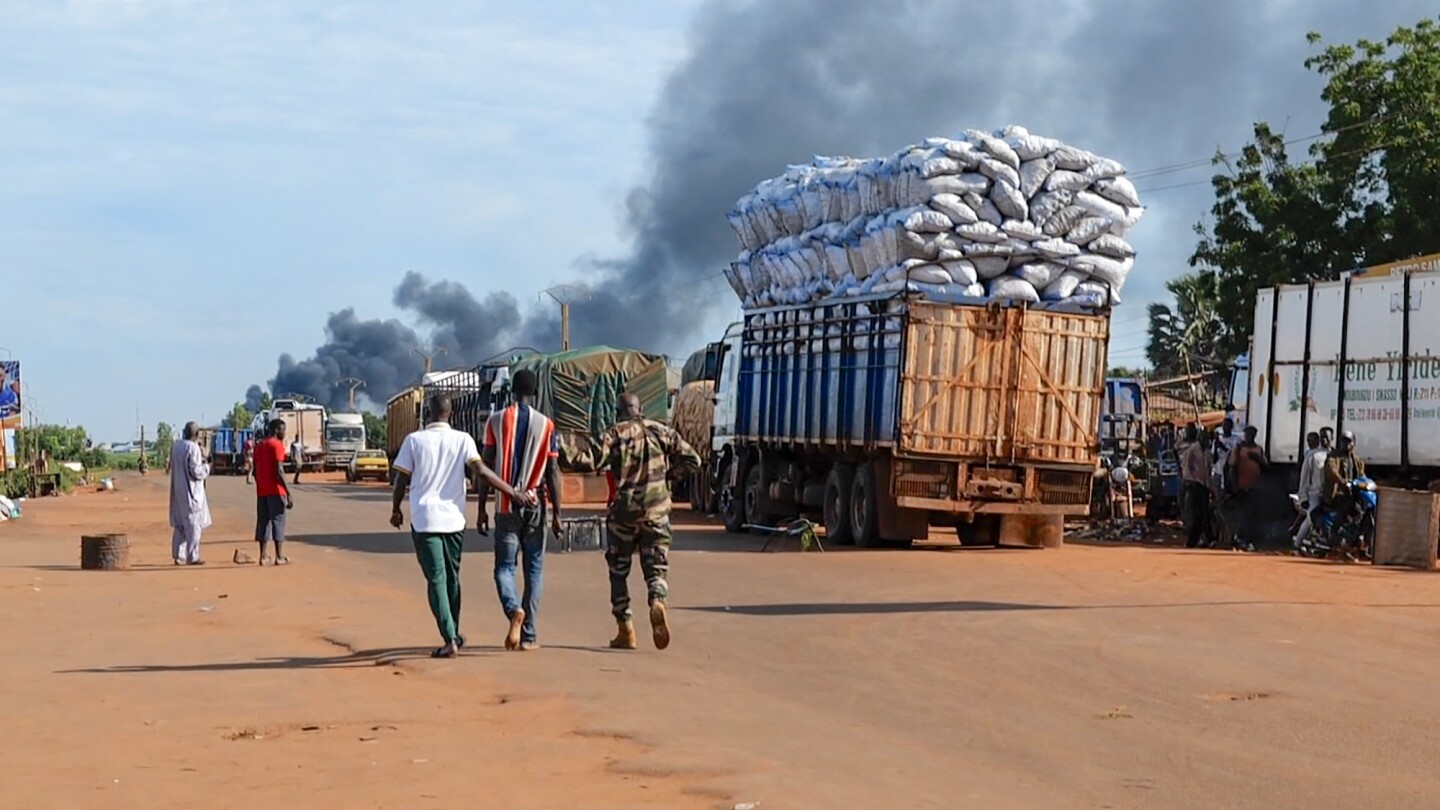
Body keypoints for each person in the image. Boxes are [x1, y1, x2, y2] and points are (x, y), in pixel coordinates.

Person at [391, 395, 533, 659]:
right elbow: (482, 472)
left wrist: (396, 509)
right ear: (452, 414)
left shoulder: (414, 440)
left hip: (425, 521)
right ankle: (453, 633)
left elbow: (401, 480)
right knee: (452, 579)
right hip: (454, 521)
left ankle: (449, 639)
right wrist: (512, 492)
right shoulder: (463, 439)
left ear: (427, 414)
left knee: (437, 579)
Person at [564, 394, 701, 651]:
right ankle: (657, 601)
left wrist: (562, 448)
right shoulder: (663, 431)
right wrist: (667, 477)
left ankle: (625, 629)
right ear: (641, 409)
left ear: (618, 412)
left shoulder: (615, 434)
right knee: (657, 567)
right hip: (657, 512)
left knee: (618, 570)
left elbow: (585, 461)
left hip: (624, 516)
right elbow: (693, 460)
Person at [480, 369, 563, 651]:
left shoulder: (495, 420)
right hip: (536, 505)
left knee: (504, 568)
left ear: (511, 391)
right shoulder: (547, 425)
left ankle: (514, 608)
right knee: (534, 572)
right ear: (535, 392)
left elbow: (486, 468)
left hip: (505, 505)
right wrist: (558, 514)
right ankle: (529, 635)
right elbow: (553, 471)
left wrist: (481, 508)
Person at [168, 422, 212, 566]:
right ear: (197, 434)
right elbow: (196, 472)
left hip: (178, 491)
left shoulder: (176, 446)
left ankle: (179, 555)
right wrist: (207, 467)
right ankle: (193, 556)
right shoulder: (193, 448)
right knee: (193, 524)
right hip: (191, 492)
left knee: (180, 524)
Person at [254, 419, 294, 565]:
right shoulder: (277, 445)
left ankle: (263, 556)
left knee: (263, 522)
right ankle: (279, 556)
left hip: (262, 491)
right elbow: (279, 470)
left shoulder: (259, 446)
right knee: (278, 521)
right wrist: (288, 492)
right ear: (277, 430)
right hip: (276, 491)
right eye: (283, 430)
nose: (284, 433)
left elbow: (255, 470)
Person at [1226, 425, 1269, 550]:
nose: (1249, 436)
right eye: (1247, 434)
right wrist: (1234, 484)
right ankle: (1240, 538)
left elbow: (1266, 467)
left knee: (1253, 514)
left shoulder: (1259, 449)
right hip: (1241, 486)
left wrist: (1258, 459)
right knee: (1243, 513)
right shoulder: (1239, 448)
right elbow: (1232, 467)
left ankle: (1248, 539)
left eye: (1252, 434)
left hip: (1255, 486)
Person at [1292, 431, 1328, 547]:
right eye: (1322, 438)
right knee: (1310, 519)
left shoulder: (1332, 455)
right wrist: (1303, 497)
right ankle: (1297, 543)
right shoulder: (1311, 456)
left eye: (1326, 438)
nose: (1324, 440)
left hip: (1327, 494)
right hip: (1314, 494)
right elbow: (1305, 478)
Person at [1179, 425, 1211, 549]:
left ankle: (1199, 540)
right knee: (1195, 513)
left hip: (1204, 485)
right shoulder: (1192, 449)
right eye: (1204, 438)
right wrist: (1189, 481)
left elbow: (1208, 470)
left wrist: (1209, 486)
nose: (1206, 440)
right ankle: (1192, 541)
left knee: (1203, 514)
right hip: (1193, 484)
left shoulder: (1207, 453)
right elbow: (1186, 466)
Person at [1322, 430, 1366, 516]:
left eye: (1349, 441)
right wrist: (1342, 481)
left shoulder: (1356, 460)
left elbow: (1362, 474)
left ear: (1354, 443)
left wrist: (1366, 483)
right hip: (1336, 494)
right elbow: (1332, 471)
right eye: (1344, 441)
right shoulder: (1333, 456)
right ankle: (1336, 528)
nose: (1346, 444)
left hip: (1352, 492)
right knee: (1350, 505)